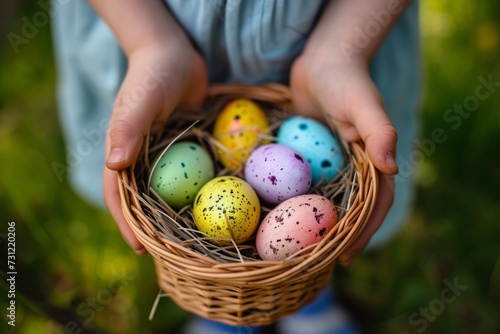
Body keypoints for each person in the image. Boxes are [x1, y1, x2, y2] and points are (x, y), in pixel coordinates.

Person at [51, 0, 421, 333]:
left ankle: (310, 295)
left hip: (346, 23)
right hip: (141, 22)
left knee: (313, 230)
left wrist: (342, 48)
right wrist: (151, 43)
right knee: (236, 248)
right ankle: (222, 310)